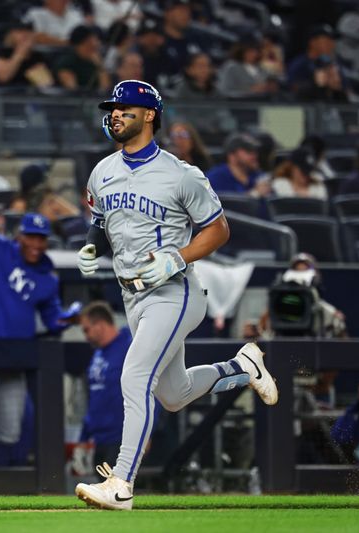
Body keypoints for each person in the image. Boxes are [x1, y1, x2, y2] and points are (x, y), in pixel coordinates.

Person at [74, 80, 278, 510]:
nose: (115, 114)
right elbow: (98, 215)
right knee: (173, 393)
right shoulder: (102, 171)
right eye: (112, 108)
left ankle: (122, 483)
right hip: (132, 296)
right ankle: (242, 367)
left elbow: (219, 230)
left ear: (150, 115)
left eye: (125, 108)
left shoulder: (182, 173)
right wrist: (92, 244)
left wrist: (178, 258)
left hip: (174, 290)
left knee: (134, 377)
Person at [0, 153, 78, 467]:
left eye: (41, 239)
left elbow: (52, 319)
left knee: (10, 427)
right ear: (20, 236)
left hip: (16, 354)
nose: (35, 244)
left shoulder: (48, 277)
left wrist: (66, 319)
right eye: (30, 237)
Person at [77, 301, 132, 468]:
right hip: (100, 438)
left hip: (122, 438)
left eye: (87, 329)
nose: (85, 336)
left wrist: (147, 434)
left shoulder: (129, 346)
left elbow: (150, 388)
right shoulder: (98, 353)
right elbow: (94, 398)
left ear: (100, 325)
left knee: (116, 490)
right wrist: (83, 438)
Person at [287, 25, 349, 102]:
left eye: (333, 40)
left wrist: (336, 88)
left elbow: (347, 91)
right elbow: (293, 89)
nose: (332, 44)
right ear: (313, 42)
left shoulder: (334, 64)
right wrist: (315, 83)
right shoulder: (300, 64)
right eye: (327, 40)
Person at [0, 21, 54, 90]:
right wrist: (19, 54)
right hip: (8, 95)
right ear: (11, 34)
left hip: (33, 95)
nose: (25, 35)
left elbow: (47, 84)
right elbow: (3, 78)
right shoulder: (3, 53)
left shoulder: (38, 55)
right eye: (20, 31)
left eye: (28, 31)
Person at [206, 133, 269, 197]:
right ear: (231, 155)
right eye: (248, 151)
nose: (254, 155)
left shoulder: (257, 175)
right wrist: (254, 194)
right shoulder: (215, 177)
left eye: (255, 151)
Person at [54, 25, 111, 92]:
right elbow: (72, 89)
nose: (95, 45)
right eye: (89, 42)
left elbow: (106, 88)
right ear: (80, 44)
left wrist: (100, 66)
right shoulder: (66, 63)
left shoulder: (95, 61)